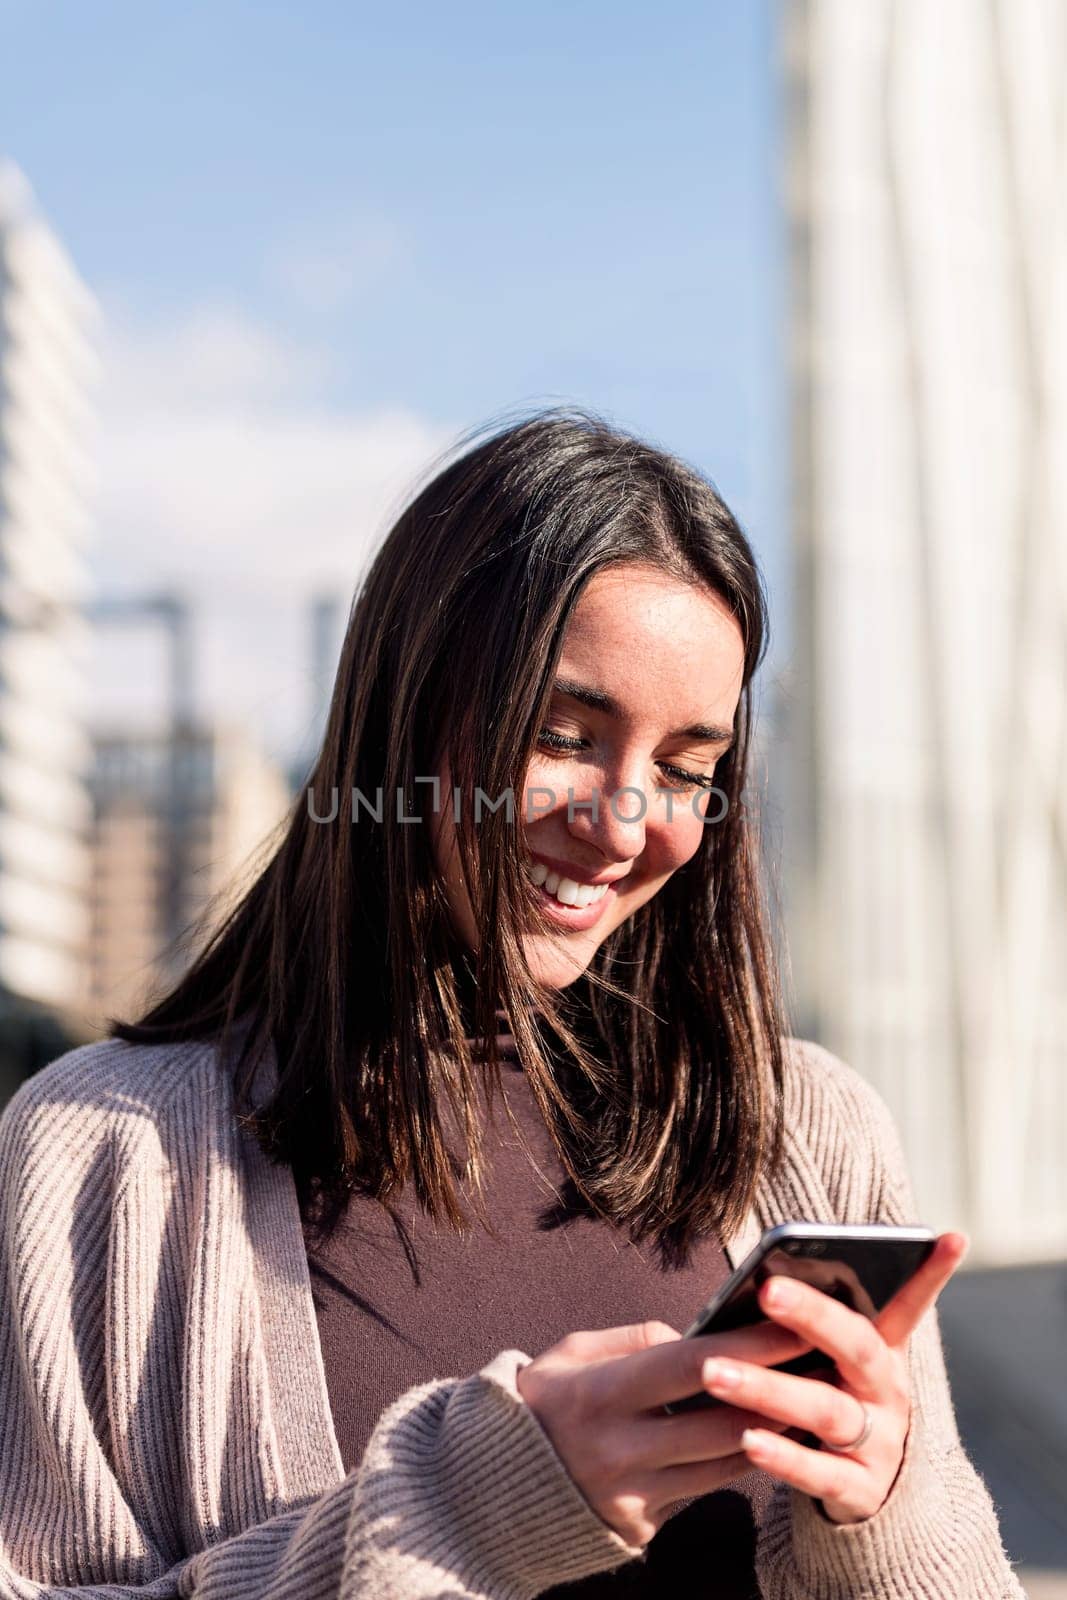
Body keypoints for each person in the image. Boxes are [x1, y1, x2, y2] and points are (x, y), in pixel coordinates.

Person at [0, 409, 1024, 1599]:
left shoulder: (807, 1133)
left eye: (685, 769)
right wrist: (473, 1506)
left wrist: (883, 1507)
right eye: (559, 734)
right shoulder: (105, 1155)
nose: (622, 821)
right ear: (402, 712)